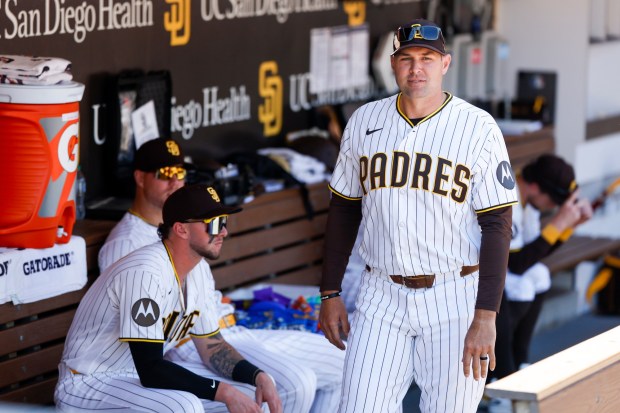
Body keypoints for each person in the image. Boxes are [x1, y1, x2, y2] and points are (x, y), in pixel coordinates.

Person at [318, 18, 518, 413]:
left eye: (427, 57)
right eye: (406, 58)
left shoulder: (478, 127)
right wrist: (330, 291)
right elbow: (343, 208)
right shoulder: (364, 121)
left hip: (454, 295)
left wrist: (486, 316)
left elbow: (498, 226)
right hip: (380, 293)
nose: (416, 69)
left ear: (445, 63)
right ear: (392, 65)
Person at [98, 137, 344, 413]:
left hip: (221, 331)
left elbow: (208, 333)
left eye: (180, 173)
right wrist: (222, 388)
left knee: (342, 359)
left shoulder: (192, 243)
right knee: (295, 383)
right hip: (179, 347)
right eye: (166, 174)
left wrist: (252, 374)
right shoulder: (130, 247)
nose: (175, 181)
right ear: (140, 178)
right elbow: (145, 347)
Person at [55, 184, 281, 412]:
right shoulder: (145, 272)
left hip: (131, 378)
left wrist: (256, 376)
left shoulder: (198, 269)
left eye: (223, 222)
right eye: (213, 224)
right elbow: (151, 368)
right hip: (88, 382)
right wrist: (224, 392)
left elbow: (212, 348)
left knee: (252, 391)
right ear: (181, 229)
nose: (223, 232)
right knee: (183, 407)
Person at [491, 154, 593, 382]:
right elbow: (516, 264)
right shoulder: (510, 198)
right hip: (478, 270)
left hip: (500, 268)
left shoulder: (530, 202)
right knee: (522, 287)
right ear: (536, 186)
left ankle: (519, 361)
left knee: (540, 275)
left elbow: (534, 254)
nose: (555, 206)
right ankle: (500, 373)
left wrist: (567, 226)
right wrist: (558, 224)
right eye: (555, 200)